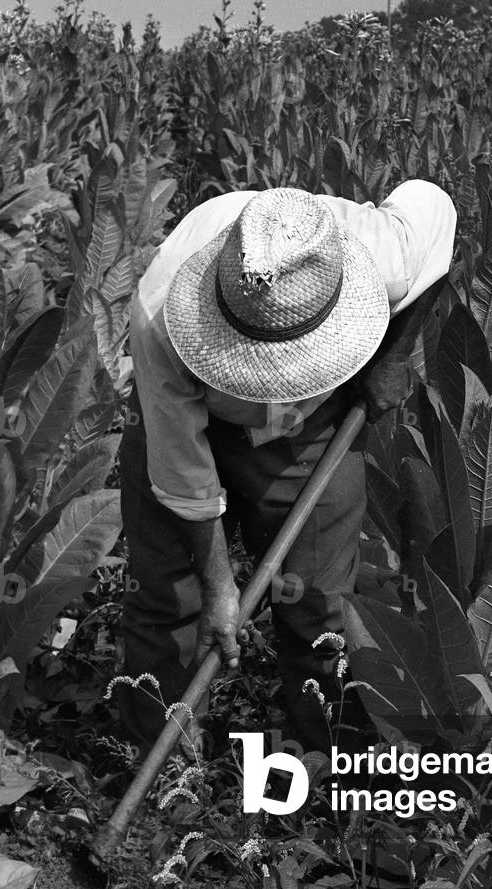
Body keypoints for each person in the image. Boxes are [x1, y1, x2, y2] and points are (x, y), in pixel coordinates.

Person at [117, 183, 457, 753]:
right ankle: (159, 761)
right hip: (183, 418)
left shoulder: (378, 252)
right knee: (169, 599)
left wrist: (392, 357)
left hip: (313, 428)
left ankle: (323, 764)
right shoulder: (161, 315)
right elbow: (184, 477)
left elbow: (436, 216)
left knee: (318, 605)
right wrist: (220, 585)